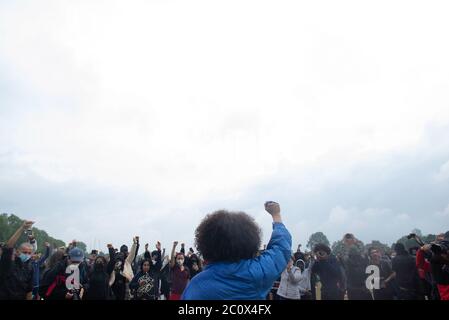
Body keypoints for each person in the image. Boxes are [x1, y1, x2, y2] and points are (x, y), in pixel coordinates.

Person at [182, 201, 292, 300]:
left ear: (206, 245)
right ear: (250, 241)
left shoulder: (196, 285)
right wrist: (276, 215)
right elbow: (281, 248)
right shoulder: (258, 272)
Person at [0, 220, 35, 300]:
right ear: (18, 252)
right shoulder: (9, 263)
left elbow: (29, 290)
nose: (27, 255)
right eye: (25, 252)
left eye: (29, 253)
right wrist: (22, 228)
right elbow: (8, 247)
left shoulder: (30, 267)